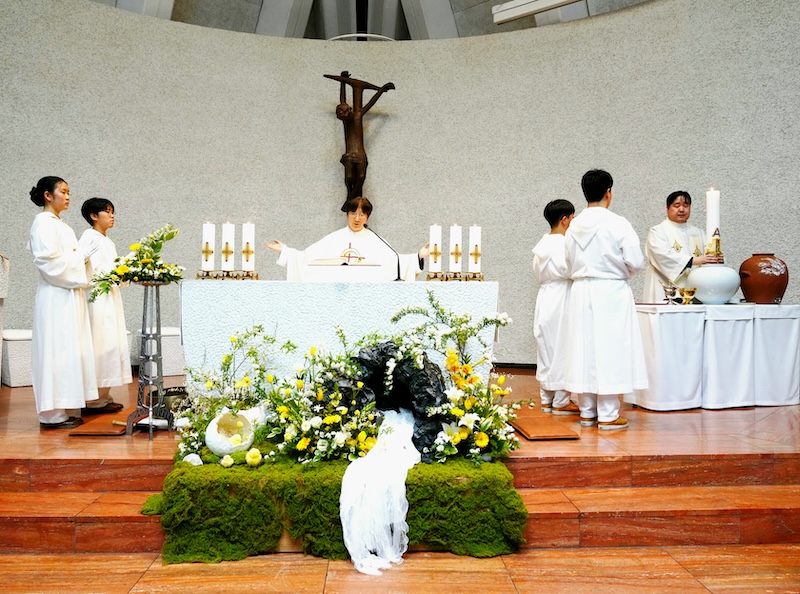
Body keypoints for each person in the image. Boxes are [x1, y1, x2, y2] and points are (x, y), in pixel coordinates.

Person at [559, 170, 648, 430]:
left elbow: (566, 263)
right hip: (610, 290)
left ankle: (587, 411)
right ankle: (608, 414)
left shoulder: (573, 227)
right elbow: (636, 261)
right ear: (609, 192)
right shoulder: (618, 223)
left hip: (581, 290)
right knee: (610, 349)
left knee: (584, 348)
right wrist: (621, 271)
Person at [28, 177, 100, 429]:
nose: (68, 196)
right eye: (63, 192)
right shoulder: (43, 224)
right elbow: (48, 262)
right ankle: (50, 413)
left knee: (68, 350)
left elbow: (72, 258)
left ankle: (64, 406)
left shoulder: (61, 225)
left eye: (69, 192)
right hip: (55, 297)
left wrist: (84, 258)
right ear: (48, 195)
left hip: (68, 295)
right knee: (55, 350)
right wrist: (81, 255)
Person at [265, 197, 429, 282]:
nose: (357, 218)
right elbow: (306, 258)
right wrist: (286, 251)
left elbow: (396, 262)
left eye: (362, 214)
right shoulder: (334, 239)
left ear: (367, 217)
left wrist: (418, 256)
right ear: (347, 215)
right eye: (353, 213)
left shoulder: (376, 241)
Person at [79, 197, 131, 413]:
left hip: (109, 296)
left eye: (112, 212)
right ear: (94, 216)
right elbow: (82, 267)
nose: (112, 216)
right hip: (98, 298)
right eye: (107, 212)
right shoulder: (89, 238)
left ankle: (103, 395)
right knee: (100, 343)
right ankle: (93, 399)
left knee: (110, 343)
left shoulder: (106, 241)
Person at [323, 72, 396, 209]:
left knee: (361, 177)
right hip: (350, 155)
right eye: (339, 113)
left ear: (349, 110)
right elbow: (342, 100)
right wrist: (343, 82)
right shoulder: (346, 121)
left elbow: (371, 103)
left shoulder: (358, 115)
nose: (341, 115)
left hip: (360, 155)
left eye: (343, 111)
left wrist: (381, 90)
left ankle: (350, 201)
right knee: (349, 178)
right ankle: (350, 198)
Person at [532, 199, 577, 415]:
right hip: (562, 295)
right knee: (563, 345)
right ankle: (561, 400)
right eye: (573, 218)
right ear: (565, 220)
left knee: (547, 346)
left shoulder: (542, 244)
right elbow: (571, 270)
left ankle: (546, 398)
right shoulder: (564, 243)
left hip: (545, 296)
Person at [642, 190, 723, 302]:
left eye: (686, 205)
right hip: (665, 290)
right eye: (677, 205)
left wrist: (716, 259)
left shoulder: (699, 233)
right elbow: (662, 256)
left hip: (696, 291)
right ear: (667, 208)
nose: (681, 209)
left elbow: (709, 255)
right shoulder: (658, 231)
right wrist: (694, 261)